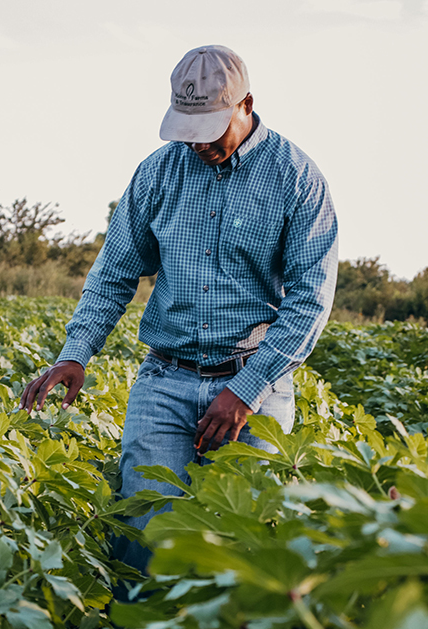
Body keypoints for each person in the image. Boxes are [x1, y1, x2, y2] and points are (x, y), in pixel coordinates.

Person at [20, 45, 338, 575]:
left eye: (212, 126)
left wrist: (245, 390)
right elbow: (114, 273)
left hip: (254, 384)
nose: (199, 142)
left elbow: (310, 302)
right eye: (189, 127)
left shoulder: (297, 180)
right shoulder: (158, 173)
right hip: (165, 382)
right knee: (144, 538)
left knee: (246, 553)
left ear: (247, 104)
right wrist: (76, 354)